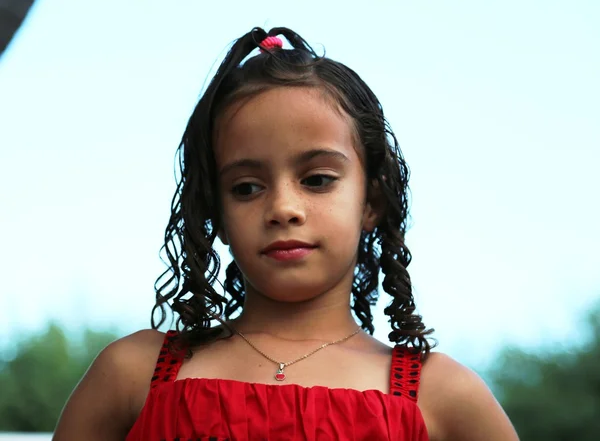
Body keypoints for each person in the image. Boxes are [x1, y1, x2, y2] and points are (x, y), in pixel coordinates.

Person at [53, 27, 518, 441]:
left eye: (316, 180)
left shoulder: (444, 397)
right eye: (247, 187)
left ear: (372, 202)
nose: (282, 208)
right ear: (215, 211)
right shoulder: (132, 375)